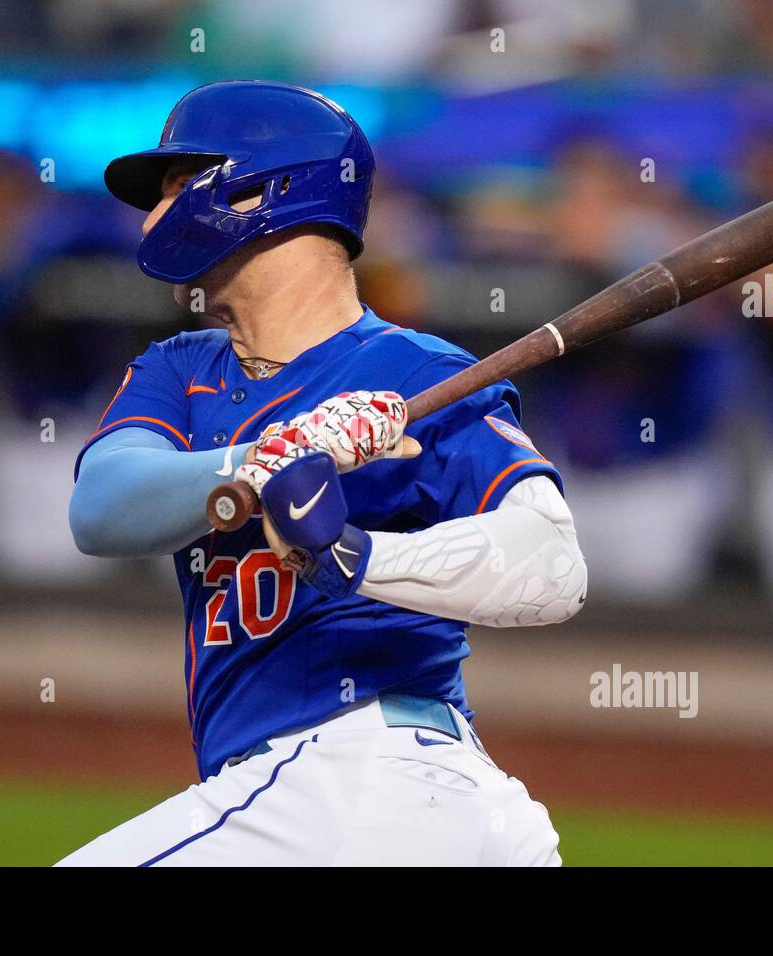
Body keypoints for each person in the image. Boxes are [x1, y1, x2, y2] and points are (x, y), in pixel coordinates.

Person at [59, 81, 587, 866]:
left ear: (256, 188)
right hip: (350, 804)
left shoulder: (414, 371)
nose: (151, 218)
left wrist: (354, 555)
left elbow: (553, 565)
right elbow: (100, 510)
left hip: (366, 782)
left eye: (174, 187)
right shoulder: (182, 369)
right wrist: (267, 456)